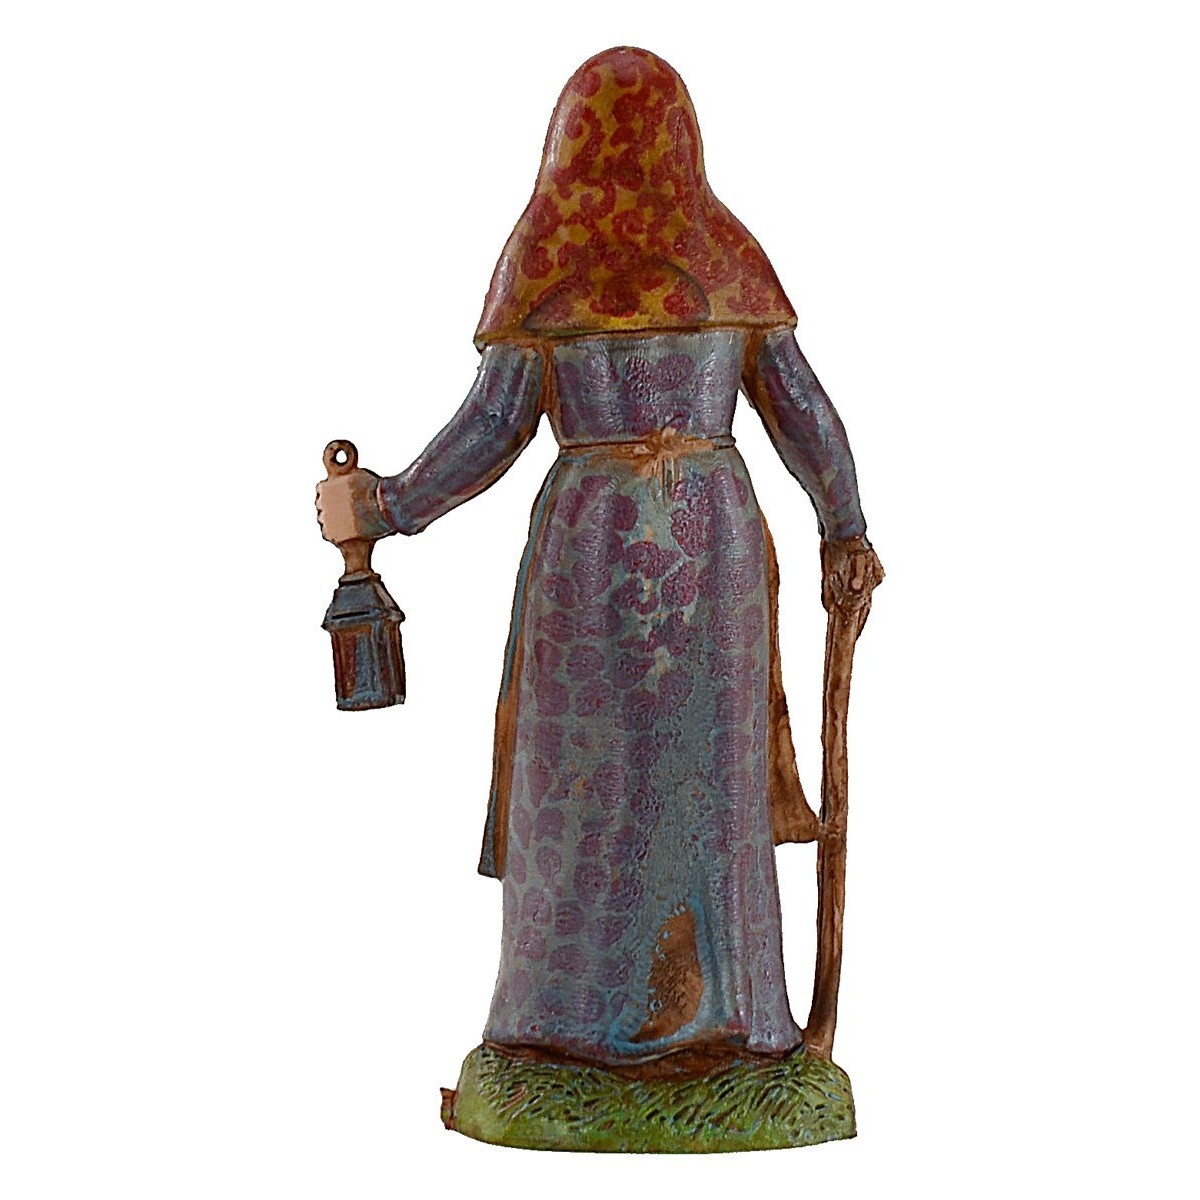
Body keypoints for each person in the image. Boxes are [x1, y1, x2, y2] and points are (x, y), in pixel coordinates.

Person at [316, 46, 882, 1075]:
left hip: (594, 543)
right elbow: (805, 413)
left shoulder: (547, 258)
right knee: (694, 781)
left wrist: (387, 506)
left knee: (590, 785)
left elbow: (493, 429)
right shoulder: (725, 257)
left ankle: (576, 1022)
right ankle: (729, 1019)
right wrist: (843, 524)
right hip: (709, 542)